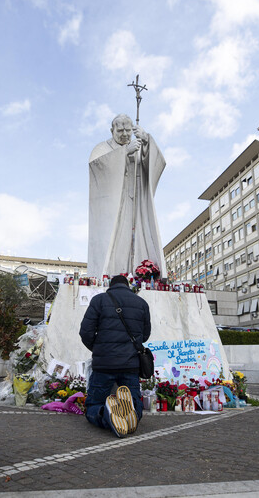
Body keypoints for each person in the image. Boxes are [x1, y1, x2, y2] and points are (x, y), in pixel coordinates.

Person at [88, 114, 166, 278]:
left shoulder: (137, 145)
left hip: (136, 203)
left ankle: (138, 274)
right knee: (117, 242)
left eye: (128, 130)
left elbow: (156, 164)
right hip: (115, 206)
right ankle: (112, 275)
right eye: (120, 130)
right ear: (112, 130)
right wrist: (124, 153)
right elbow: (97, 167)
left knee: (138, 238)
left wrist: (146, 141)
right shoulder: (102, 148)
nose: (124, 134)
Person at [79, 275, 151, 438]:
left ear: (110, 286)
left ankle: (106, 413)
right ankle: (131, 415)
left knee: (93, 404)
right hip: (131, 364)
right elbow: (145, 336)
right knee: (134, 403)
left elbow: (85, 332)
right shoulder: (141, 303)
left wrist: (99, 348)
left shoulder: (99, 300)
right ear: (128, 286)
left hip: (104, 364)